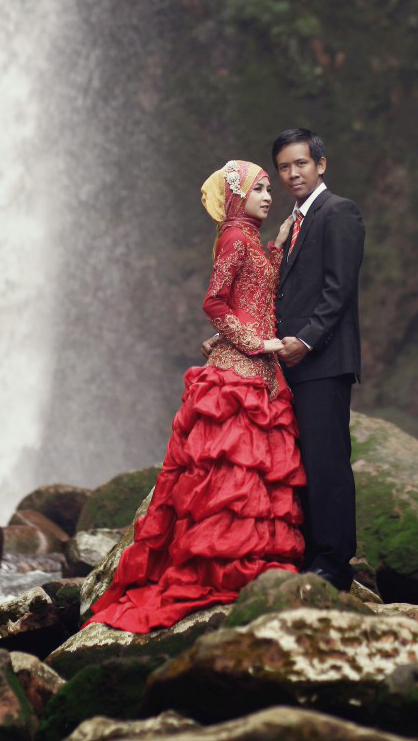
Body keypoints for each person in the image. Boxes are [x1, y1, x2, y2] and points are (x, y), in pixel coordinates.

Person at [86, 159, 307, 632]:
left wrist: (282, 240)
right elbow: (215, 301)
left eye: (270, 189)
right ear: (236, 196)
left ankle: (252, 567)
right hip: (239, 372)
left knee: (252, 474)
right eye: (259, 189)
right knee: (232, 476)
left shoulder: (247, 238)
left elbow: (257, 286)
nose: (269, 196)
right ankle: (226, 567)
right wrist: (254, 343)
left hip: (260, 374)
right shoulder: (231, 237)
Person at [269, 127, 366, 591]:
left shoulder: (338, 212)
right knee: (305, 460)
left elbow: (338, 290)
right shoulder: (294, 223)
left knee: (328, 461)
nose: (292, 174)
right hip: (294, 363)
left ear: (321, 165)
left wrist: (304, 342)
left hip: (323, 361)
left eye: (300, 164)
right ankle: (311, 553)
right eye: (284, 167)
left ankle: (334, 562)